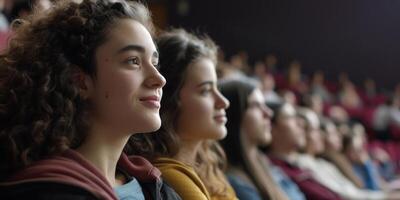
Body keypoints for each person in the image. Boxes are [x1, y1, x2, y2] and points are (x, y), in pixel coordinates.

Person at [0, 1, 181, 199]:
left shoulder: (155, 187)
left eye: (155, 63)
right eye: (133, 61)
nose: (159, 79)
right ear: (81, 82)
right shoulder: (45, 192)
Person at [130, 29, 237, 200]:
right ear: (170, 101)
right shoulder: (170, 175)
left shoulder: (208, 168)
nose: (223, 102)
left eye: (218, 88)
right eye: (205, 91)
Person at [219, 78, 299, 200]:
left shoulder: (266, 165)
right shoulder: (233, 183)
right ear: (234, 115)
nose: (269, 113)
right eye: (256, 105)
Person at [267, 102, 342, 200]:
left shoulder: (297, 166)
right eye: (290, 117)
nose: (300, 123)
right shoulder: (274, 169)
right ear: (271, 127)